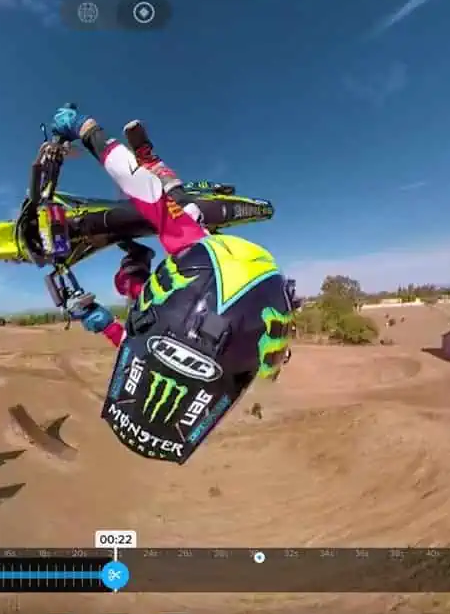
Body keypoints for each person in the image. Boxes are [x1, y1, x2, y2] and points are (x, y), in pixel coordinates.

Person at [47, 103, 297, 465]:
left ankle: (138, 254)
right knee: (174, 202)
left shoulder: (190, 290)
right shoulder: (189, 251)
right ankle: (150, 158)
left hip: (211, 273)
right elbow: (140, 185)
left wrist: (103, 322)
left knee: (143, 272)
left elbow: (149, 343)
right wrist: (87, 130)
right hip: (201, 247)